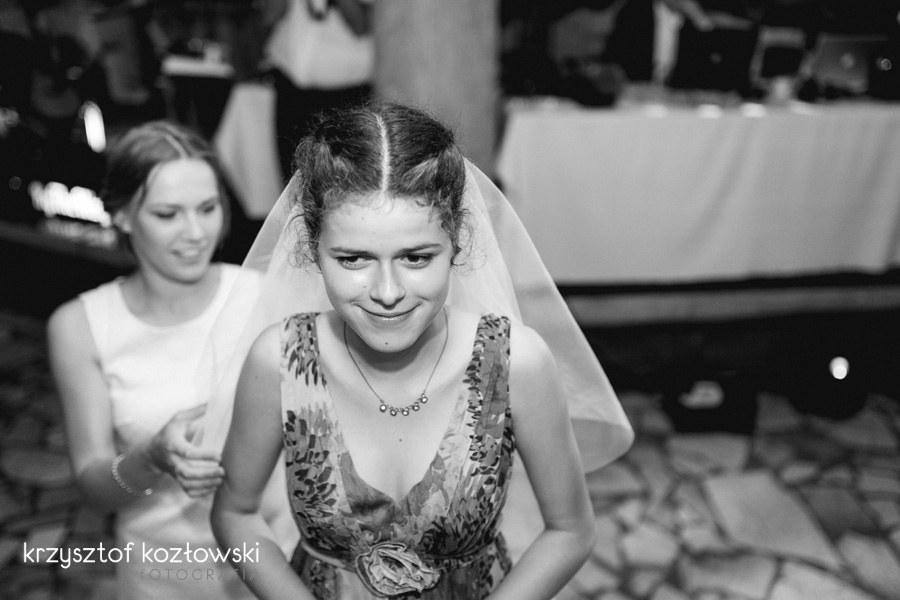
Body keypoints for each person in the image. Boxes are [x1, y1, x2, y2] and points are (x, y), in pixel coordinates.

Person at [208, 101, 633, 600]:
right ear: (312, 249)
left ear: (457, 242)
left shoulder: (515, 363)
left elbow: (570, 531)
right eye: (353, 259)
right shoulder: (280, 361)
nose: (387, 292)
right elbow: (234, 512)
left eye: (415, 257)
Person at [46, 120, 296, 599]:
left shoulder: (267, 295)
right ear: (122, 216)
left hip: (277, 561)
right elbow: (94, 491)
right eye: (167, 214)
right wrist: (150, 457)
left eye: (208, 208)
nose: (196, 232)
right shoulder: (80, 326)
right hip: (165, 573)